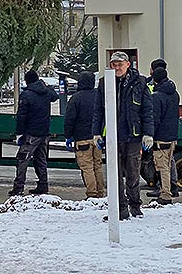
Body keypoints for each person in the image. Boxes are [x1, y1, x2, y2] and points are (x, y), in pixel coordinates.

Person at [92, 51, 154, 220]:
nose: (117, 67)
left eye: (120, 64)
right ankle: (120, 208)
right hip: (112, 136)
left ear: (128, 64)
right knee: (115, 174)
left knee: (133, 173)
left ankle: (135, 206)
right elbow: (98, 110)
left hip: (133, 136)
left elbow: (147, 110)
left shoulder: (140, 82)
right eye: (114, 64)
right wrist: (96, 133)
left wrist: (148, 134)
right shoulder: (105, 83)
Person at [9, 70, 58, 196]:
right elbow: (55, 96)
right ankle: (43, 185)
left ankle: (18, 187)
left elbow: (21, 116)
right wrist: (45, 85)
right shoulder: (46, 92)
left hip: (31, 134)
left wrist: (19, 133)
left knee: (22, 159)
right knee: (41, 159)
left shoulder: (26, 95)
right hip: (44, 133)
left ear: (27, 81)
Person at [64, 71, 104, 198]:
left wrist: (68, 136)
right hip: (97, 137)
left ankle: (92, 193)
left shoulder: (76, 98)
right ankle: (100, 192)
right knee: (97, 165)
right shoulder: (99, 96)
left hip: (82, 138)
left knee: (87, 167)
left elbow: (70, 119)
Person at [145, 58, 179, 198]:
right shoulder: (174, 93)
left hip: (161, 137)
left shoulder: (157, 97)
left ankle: (165, 194)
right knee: (170, 163)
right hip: (172, 135)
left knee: (162, 166)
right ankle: (173, 187)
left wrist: (149, 135)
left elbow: (155, 119)